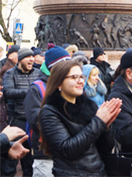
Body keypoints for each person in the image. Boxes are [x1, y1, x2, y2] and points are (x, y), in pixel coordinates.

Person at [38, 60, 121, 176]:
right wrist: (98, 122)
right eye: (74, 77)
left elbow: (105, 148)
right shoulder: (50, 111)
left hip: (98, 172)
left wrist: (106, 127)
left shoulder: (89, 106)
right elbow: (67, 149)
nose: (80, 81)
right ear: (59, 83)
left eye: (82, 77)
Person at [24, 45, 71, 177]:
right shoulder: (37, 88)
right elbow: (36, 121)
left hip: (67, 152)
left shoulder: (69, 85)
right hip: (45, 154)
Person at [2, 48, 40, 176]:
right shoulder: (10, 74)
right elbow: (8, 92)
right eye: (28, 57)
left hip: (33, 121)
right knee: (11, 161)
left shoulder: (38, 73)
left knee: (29, 161)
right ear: (20, 59)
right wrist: (30, 92)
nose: (31, 59)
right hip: (17, 121)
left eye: (32, 57)